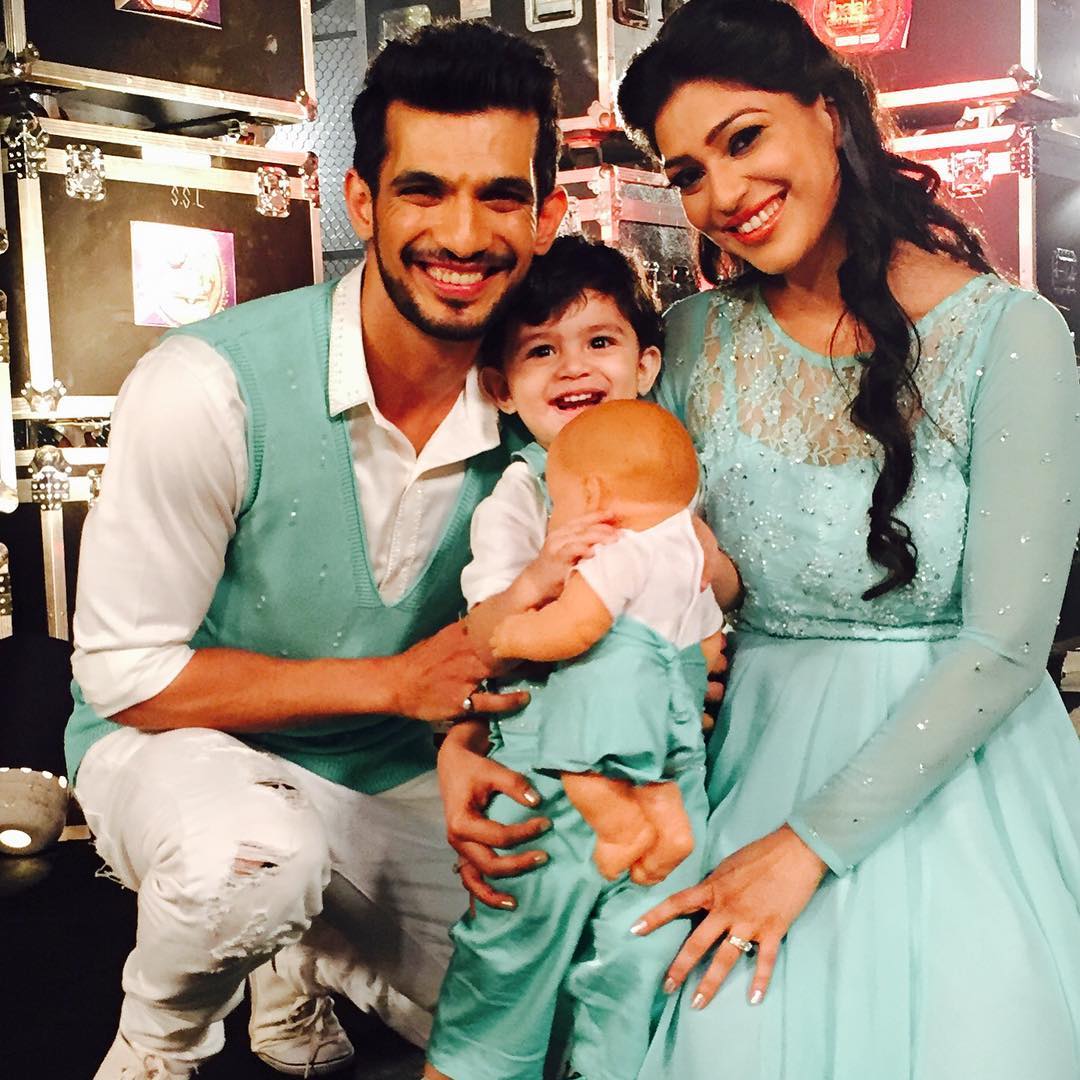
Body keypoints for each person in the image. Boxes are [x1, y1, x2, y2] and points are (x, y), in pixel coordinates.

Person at [441, 1, 1080, 1076]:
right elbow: (592, 568)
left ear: (830, 114)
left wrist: (807, 849)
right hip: (732, 757)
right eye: (689, 172)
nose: (725, 194)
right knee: (715, 1030)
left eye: (744, 139)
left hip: (957, 775)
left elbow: (1009, 646)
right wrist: (471, 733)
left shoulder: (1011, 335)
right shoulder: (687, 341)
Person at [63, 19, 568, 1080]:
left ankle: (305, 958)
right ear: (362, 203)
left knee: (564, 1019)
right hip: (180, 749)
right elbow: (125, 675)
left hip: (401, 776)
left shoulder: (549, 409)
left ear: (548, 216)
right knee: (251, 865)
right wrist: (393, 684)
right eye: (424, 191)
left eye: (501, 196)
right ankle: (154, 1048)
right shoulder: (207, 385)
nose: (463, 235)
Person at [421, 243, 733, 1080]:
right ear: (501, 386)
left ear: (646, 364)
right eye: (540, 350)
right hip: (548, 771)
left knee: (642, 954)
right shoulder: (523, 495)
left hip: (668, 771)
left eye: (600, 341)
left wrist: (708, 599)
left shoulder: (676, 481)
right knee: (512, 959)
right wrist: (543, 574)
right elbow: (489, 634)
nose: (573, 366)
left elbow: (713, 597)